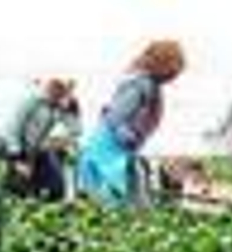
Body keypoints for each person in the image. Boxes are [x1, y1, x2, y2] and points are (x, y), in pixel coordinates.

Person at [76, 40, 185, 208]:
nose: (175, 74)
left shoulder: (150, 86)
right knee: (116, 203)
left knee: (135, 200)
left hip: (120, 152)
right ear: (163, 63)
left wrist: (134, 141)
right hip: (108, 154)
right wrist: (129, 137)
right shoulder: (140, 84)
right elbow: (114, 117)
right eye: (174, 67)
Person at [2, 78, 82, 200]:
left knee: (56, 187)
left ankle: (50, 210)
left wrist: (73, 111)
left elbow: (76, 130)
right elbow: (13, 128)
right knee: (19, 187)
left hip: (39, 151)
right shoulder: (31, 100)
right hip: (19, 149)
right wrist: (17, 158)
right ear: (50, 88)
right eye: (58, 90)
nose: (60, 96)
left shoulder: (58, 107)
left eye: (63, 93)